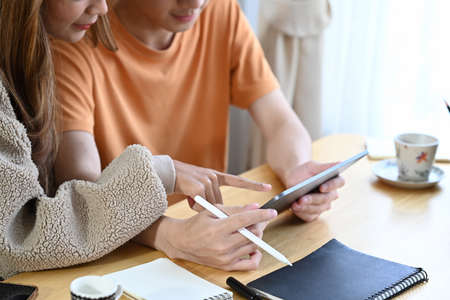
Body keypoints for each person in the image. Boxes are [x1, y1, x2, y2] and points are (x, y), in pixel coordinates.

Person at [0, 0, 277, 280]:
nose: (102, 8)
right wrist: (166, 222)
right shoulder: (72, 43)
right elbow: (21, 231)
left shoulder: (60, 35)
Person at [53, 0, 345, 221]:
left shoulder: (219, 11)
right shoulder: (76, 36)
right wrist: (172, 234)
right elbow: (82, 186)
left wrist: (297, 171)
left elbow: (280, 120)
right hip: (122, 241)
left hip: (206, 229)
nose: (195, 2)